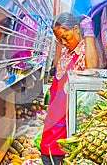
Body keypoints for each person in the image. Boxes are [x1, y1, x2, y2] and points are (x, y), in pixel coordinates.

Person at [40, 12, 100, 164]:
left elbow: (92, 68)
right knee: (47, 154)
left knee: (58, 157)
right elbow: (56, 67)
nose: (64, 42)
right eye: (59, 39)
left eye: (65, 37)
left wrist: (89, 34)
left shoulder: (85, 49)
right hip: (54, 117)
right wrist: (58, 43)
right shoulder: (67, 51)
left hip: (68, 122)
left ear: (76, 29)